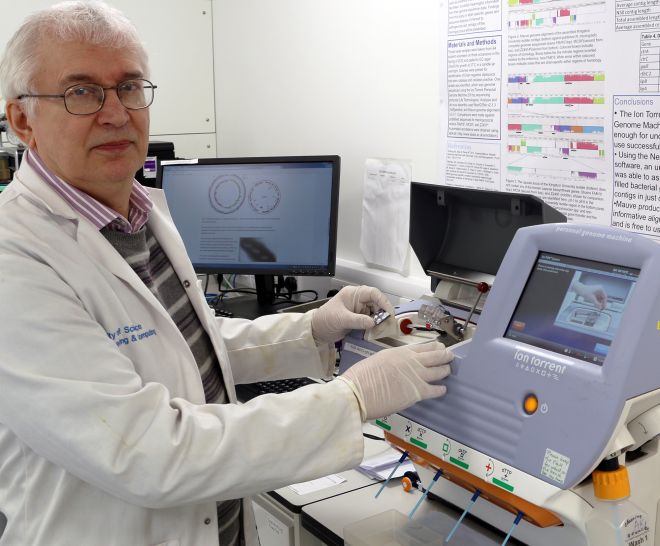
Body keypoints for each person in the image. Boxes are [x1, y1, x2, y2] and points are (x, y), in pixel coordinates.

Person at [0, 2, 453, 545]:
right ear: (23, 119)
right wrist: (349, 400)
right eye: (81, 92)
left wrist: (310, 330)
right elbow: (146, 452)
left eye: (128, 86)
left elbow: (186, 348)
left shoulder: (142, 211)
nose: (116, 113)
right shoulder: (16, 261)